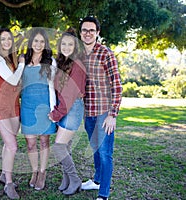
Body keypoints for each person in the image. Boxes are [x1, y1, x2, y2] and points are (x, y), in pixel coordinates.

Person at [79, 16, 123, 200]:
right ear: (80, 33)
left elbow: (117, 85)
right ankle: (96, 181)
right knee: (96, 149)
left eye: (91, 30)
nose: (87, 33)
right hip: (88, 113)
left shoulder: (106, 53)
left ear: (97, 33)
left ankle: (103, 194)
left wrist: (112, 115)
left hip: (104, 113)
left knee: (105, 154)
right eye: (84, 30)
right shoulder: (78, 55)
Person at [49, 28, 86, 195]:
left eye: (70, 44)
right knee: (66, 147)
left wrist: (56, 114)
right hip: (64, 107)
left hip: (72, 108)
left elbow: (70, 94)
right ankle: (67, 180)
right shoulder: (62, 62)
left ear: (75, 46)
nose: (66, 47)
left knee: (58, 147)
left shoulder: (77, 64)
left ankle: (75, 179)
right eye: (63, 44)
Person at [20, 27, 57, 190]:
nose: (39, 44)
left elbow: (55, 86)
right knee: (30, 144)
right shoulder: (22, 59)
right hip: (27, 106)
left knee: (44, 141)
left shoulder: (51, 61)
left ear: (46, 44)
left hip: (45, 107)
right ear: (31, 42)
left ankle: (42, 172)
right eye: (36, 41)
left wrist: (54, 109)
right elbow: (15, 80)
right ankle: (34, 171)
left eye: (42, 41)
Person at [0, 28, 24, 199]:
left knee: (8, 143)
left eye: (9, 39)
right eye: (2, 39)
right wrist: (23, 64)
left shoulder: (12, 60)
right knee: (12, 146)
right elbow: (12, 80)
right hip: (2, 107)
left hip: (14, 106)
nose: (6, 42)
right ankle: (9, 184)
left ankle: (4, 174)